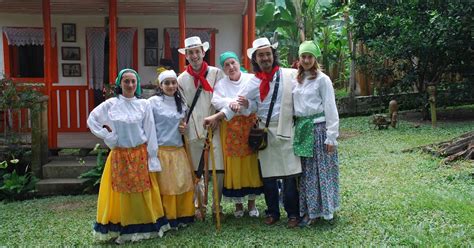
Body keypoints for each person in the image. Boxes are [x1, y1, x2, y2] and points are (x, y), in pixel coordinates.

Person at [87, 68, 170, 243]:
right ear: (120, 83)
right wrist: (108, 136)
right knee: (121, 193)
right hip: (119, 156)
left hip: (139, 154)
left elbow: (150, 131)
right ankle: (122, 227)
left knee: (142, 191)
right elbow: (92, 119)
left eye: (133, 81)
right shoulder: (111, 104)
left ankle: (143, 225)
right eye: (126, 81)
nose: (130, 85)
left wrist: (152, 156)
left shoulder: (144, 104)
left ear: (137, 83)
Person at [233, 37, 302, 228]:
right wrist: (247, 106)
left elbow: (305, 90)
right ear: (255, 59)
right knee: (269, 177)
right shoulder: (253, 82)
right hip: (265, 131)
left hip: (287, 128)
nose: (265, 58)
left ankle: (293, 214)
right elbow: (247, 105)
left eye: (268, 54)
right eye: (261, 55)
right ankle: (272, 212)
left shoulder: (290, 75)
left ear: (273, 55)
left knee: (289, 175)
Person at [203, 51, 263, 218]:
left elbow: (258, 101)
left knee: (250, 164)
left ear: (239, 62)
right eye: (226, 65)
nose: (231, 67)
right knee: (234, 165)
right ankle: (238, 205)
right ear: (223, 68)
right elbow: (216, 100)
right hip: (230, 129)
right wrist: (232, 103)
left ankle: (251, 204)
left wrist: (246, 103)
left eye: (233, 63)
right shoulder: (221, 84)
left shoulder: (251, 79)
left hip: (249, 127)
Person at [177, 36, 225, 219]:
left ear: (203, 53)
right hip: (193, 129)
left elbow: (223, 97)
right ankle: (199, 206)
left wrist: (218, 118)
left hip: (216, 128)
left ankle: (216, 206)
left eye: (198, 51)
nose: (195, 55)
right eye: (191, 52)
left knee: (218, 169)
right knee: (196, 172)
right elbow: (181, 107)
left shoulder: (216, 73)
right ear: (186, 56)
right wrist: (181, 124)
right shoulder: (181, 79)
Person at [292, 41, 340, 226]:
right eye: (303, 56)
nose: (306, 60)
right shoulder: (297, 79)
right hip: (302, 129)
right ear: (299, 58)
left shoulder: (322, 79)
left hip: (318, 130)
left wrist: (331, 136)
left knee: (320, 171)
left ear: (315, 58)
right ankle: (308, 210)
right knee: (305, 173)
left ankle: (321, 211)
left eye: (309, 56)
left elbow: (330, 107)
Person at [148, 70, 196, 229]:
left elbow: (185, 125)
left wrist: (185, 129)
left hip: (178, 149)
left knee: (181, 183)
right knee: (166, 186)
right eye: (166, 83)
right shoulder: (152, 102)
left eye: (173, 82)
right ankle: (166, 217)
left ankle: (182, 215)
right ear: (160, 85)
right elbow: (148, 126)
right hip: (161, 150)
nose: (170, 86)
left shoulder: (182, 103)